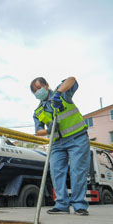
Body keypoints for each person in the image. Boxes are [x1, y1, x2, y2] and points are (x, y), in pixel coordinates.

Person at [30, 76, 90, 215]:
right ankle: (62, 204)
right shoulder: (38, 111)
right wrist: (48, 130)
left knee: (77, 171)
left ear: (46, 85)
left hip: (77, 138)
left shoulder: (62, 93)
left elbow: (72, 80)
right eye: (35, 91)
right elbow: (38, 131)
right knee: (56, 172)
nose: (38, 92)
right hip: (57, 143)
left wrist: (58, 94)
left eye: (39, 88)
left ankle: (79, 205)